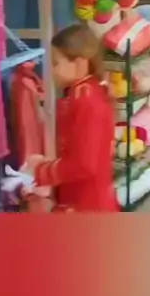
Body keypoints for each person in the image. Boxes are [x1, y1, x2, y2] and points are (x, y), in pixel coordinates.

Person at [25, 24, 119, 212]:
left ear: (79, 63)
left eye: (56, 63)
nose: (51, 71)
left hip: (87, 203)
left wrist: (42, 171)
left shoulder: (87, 101)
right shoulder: (84, 93)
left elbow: (85, 164)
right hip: (82, 196)